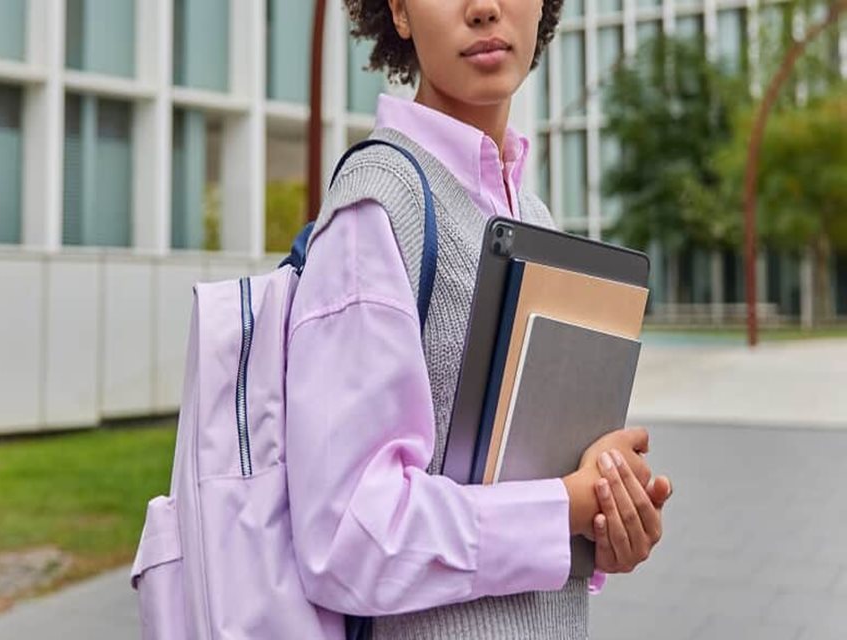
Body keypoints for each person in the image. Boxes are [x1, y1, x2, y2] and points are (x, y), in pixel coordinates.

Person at [284, 1, 673, 638]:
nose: (485, 6)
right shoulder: (377, 211)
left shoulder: (535, 218)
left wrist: (601, 522)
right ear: (400, 14)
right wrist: (560, 510)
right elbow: (347, 539)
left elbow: (534, 493)